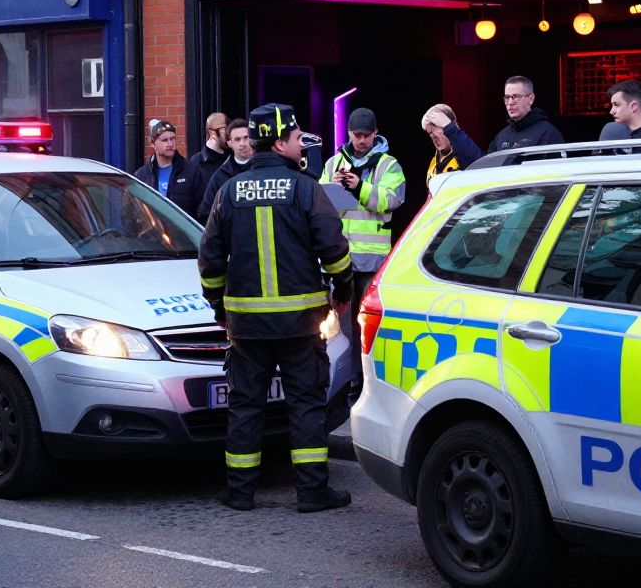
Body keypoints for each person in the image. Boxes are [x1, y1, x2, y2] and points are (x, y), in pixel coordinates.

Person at [199, 103, 354, 514]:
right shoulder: (305, 188)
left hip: (247, 327)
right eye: (298, 138)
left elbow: (210, 259)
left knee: (246, 406)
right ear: (280, 143)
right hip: (300, 325)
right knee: (306, 405)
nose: (302, 144)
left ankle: (240, 492)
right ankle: (312, 491)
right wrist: (343, 291)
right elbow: (335, 250)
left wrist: (218, 308)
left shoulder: (229, 191)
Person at [319, 107, 405, 402]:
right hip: (341, 259)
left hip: (373, 259)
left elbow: (393, 199)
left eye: (367, 135)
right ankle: (345, 382)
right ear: (349, 134)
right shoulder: (333, 163)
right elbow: (320, 203)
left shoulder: (389, 164)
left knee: (368, 326)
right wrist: (336, 191)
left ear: (375, 133)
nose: (362, 140)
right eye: (357, 135)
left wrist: (360, 188)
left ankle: (370, 384)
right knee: (340, 327)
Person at [196, 118, 253, 223]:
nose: (243, 143)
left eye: (246, 137)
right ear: (229, 143)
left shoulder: (265, 168)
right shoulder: (220, 176)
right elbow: (205, 212)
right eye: (237, 139)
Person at [488, 76, 564, 152]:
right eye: (507, 97)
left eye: (516, 96)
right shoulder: (501, 137)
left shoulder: (547, 134)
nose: (510, 102)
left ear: (531, 99)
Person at [133, 119, 194, 214]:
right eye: (164, 140)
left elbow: (201, 210)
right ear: (153, 143)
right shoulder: (142, 176)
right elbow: (133, 211)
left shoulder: (191, 171)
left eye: (172, 139)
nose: (170, 144)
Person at [421, 103, 482, 189]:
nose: (434, 137)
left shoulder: (465, 154)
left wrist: (450, 129)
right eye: (430, 133)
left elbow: (478, 166)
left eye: (438, 130)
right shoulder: (434, 162)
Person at [185, 112, 231, 218]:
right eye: (224, 129)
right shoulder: (196, 163)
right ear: (211, 133)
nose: (228, 133)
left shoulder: (233, 157)